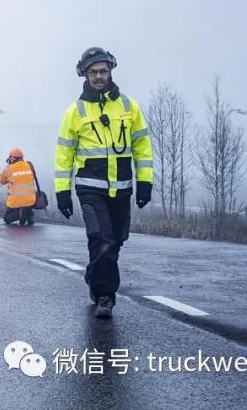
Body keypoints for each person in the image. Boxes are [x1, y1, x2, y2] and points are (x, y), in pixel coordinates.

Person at [55, 47, 153, 319]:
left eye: (103, 71)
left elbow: (142, 145)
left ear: (110, 72)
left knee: (116, 241)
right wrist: (62, 192)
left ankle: (93, 275)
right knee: (101, 239)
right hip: (90, 189)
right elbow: (64, 154)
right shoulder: (74, 112)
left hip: (121, 189)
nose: (98, 76)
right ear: (84, 75)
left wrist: (145, 182)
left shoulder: (128, 106)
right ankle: (105, 297)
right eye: (93, 72)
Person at [0, 148, 37, 226]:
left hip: (15, 200)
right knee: (27, 205)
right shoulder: (29, 165)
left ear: (12, 158)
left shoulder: (9, 169)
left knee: (7, 218)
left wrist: (8, 166)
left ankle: (20, 214)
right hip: (30, 199)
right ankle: (29, 215)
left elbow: (2, 181)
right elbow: (32, 177)